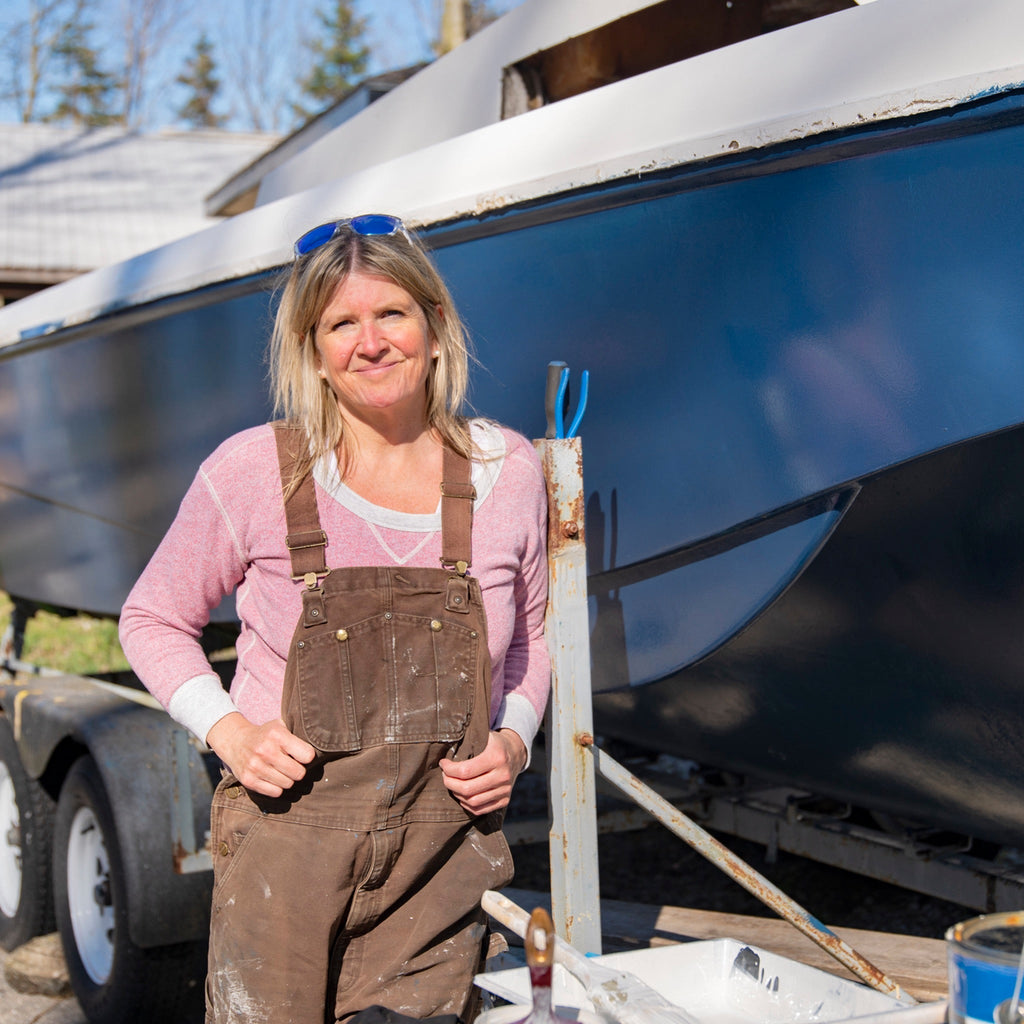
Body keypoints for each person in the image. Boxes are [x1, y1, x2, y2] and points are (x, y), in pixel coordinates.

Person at [118, 214, 551, 1024]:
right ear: (312, 350)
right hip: (286, 843)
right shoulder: (255, 470)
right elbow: (150, 618)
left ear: (435, 324)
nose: (371, 341)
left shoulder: (508, 470)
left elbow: (531, 634)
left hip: (440, 852)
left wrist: (515, 738)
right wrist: (232, 732)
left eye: (391, 313)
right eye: (341, 324)